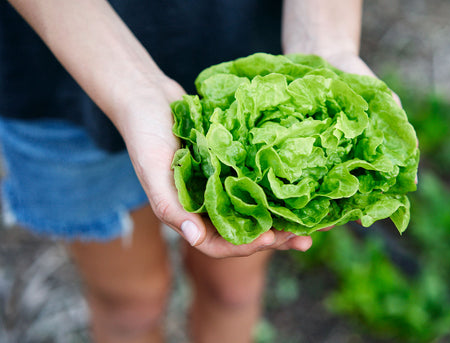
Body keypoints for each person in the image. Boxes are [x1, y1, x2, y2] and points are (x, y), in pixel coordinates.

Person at [0, 1, 379, 342]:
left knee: (232, 292)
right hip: (61, 75)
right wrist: (135, 90)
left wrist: (328, 45)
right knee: (130, 307)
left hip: (243, 43)